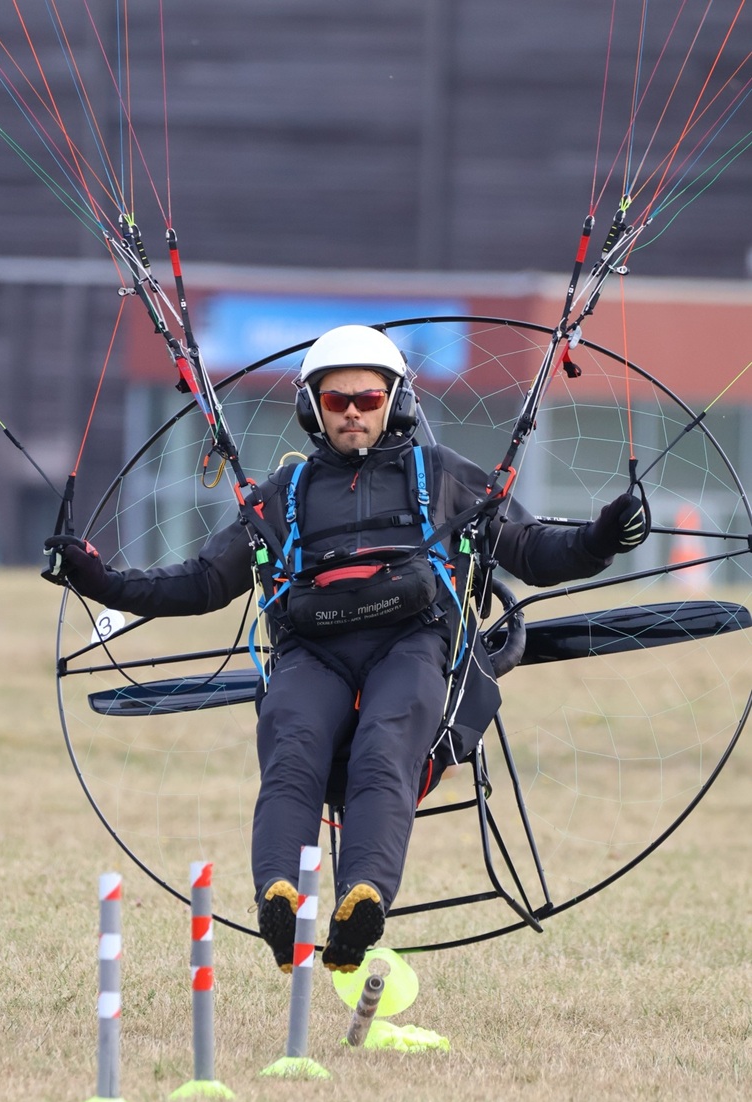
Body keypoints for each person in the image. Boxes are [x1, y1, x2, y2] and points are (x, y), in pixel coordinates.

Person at [44, 324, 647, 974]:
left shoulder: (442, 474)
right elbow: (202, 582)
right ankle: (279, 897)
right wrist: (98, 579)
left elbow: (534, 551)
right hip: (313, 652)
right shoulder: (282, 495)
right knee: (290, 742)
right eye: (337, 400)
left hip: (413, 645)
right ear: (314, 408)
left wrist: (602, 538)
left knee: (386, 744)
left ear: (396, 402)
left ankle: (364, 899)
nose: (353, 412)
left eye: (367, 398)